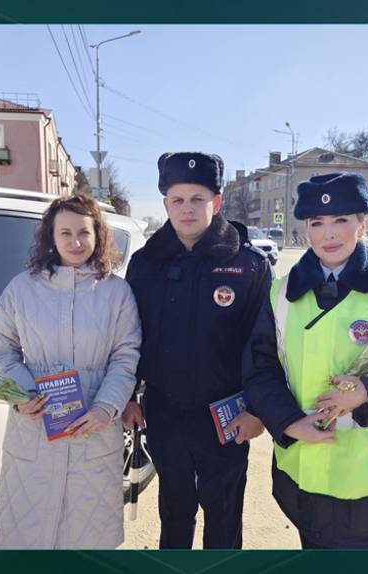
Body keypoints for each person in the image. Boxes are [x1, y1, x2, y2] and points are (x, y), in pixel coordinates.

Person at [242, 172, 368, 549]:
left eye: (341, 220)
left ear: (362, 223)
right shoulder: (280, 293)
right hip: (305, 474)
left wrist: (364, 394)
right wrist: (289, 423)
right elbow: (259, 370)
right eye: (316, 223)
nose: (328, 233)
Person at [120, 151, 272, 549]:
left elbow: (266, 346)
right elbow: (130, 335)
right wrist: (128, 397)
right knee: (174, 509)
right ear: (165, 203)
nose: (187, 209)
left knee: (223, 513)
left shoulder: (248, 265)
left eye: (198, 199)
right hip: (164, 410)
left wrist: (256, 410)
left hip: (226, 413)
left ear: (216, 202)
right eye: (177, 199)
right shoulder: (144, 264)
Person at [0, 194, 141, 549]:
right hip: (35, 432)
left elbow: (125, 356)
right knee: (28, 534)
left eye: (84, 232)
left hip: (93, 432)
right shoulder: (22, 289)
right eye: (65, 233)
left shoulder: (116, 293)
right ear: (50, 237)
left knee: (87, 535)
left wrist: (106, 407)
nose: (75, 242)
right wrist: (21, 394)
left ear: (98, 235)